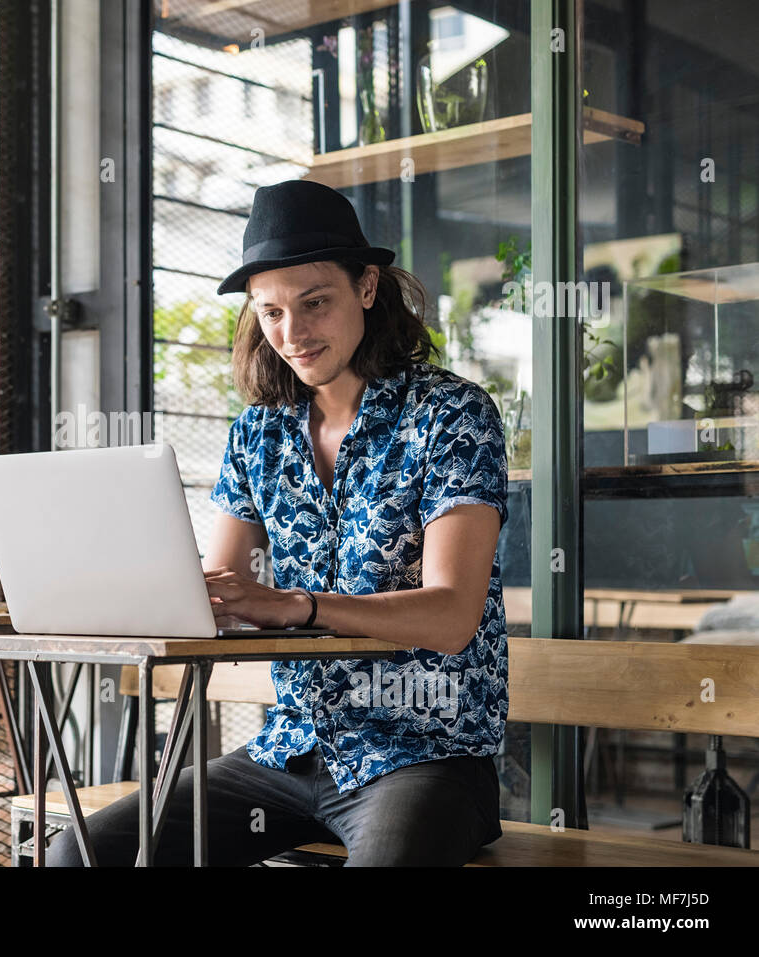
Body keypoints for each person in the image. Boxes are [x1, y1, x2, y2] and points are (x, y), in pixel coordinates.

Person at [46, 179, 509, 867]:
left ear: (368, 287)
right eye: (270, 312)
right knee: (79, 855)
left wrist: (298, 605)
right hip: (288, 753)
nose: (293, 333)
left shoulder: (452, 416)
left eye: (315, 302)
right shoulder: (257, 435)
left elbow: (450, 616)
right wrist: (152, 590)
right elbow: (219, 592)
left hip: (425, 753)